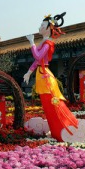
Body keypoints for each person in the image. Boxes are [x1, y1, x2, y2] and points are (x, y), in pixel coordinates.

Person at [23, 13, 80, 142]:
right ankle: (57, 131)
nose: (40, 27)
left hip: (45, 76)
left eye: (42, 25)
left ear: (48, 28)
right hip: (41, 73)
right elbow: (37, 61)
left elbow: (37, 57)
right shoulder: (44, 41)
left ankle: (64, 129)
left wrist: (31, 43)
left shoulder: (48, 43)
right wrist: (29, 72)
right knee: (47, 105)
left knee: (53, 103)